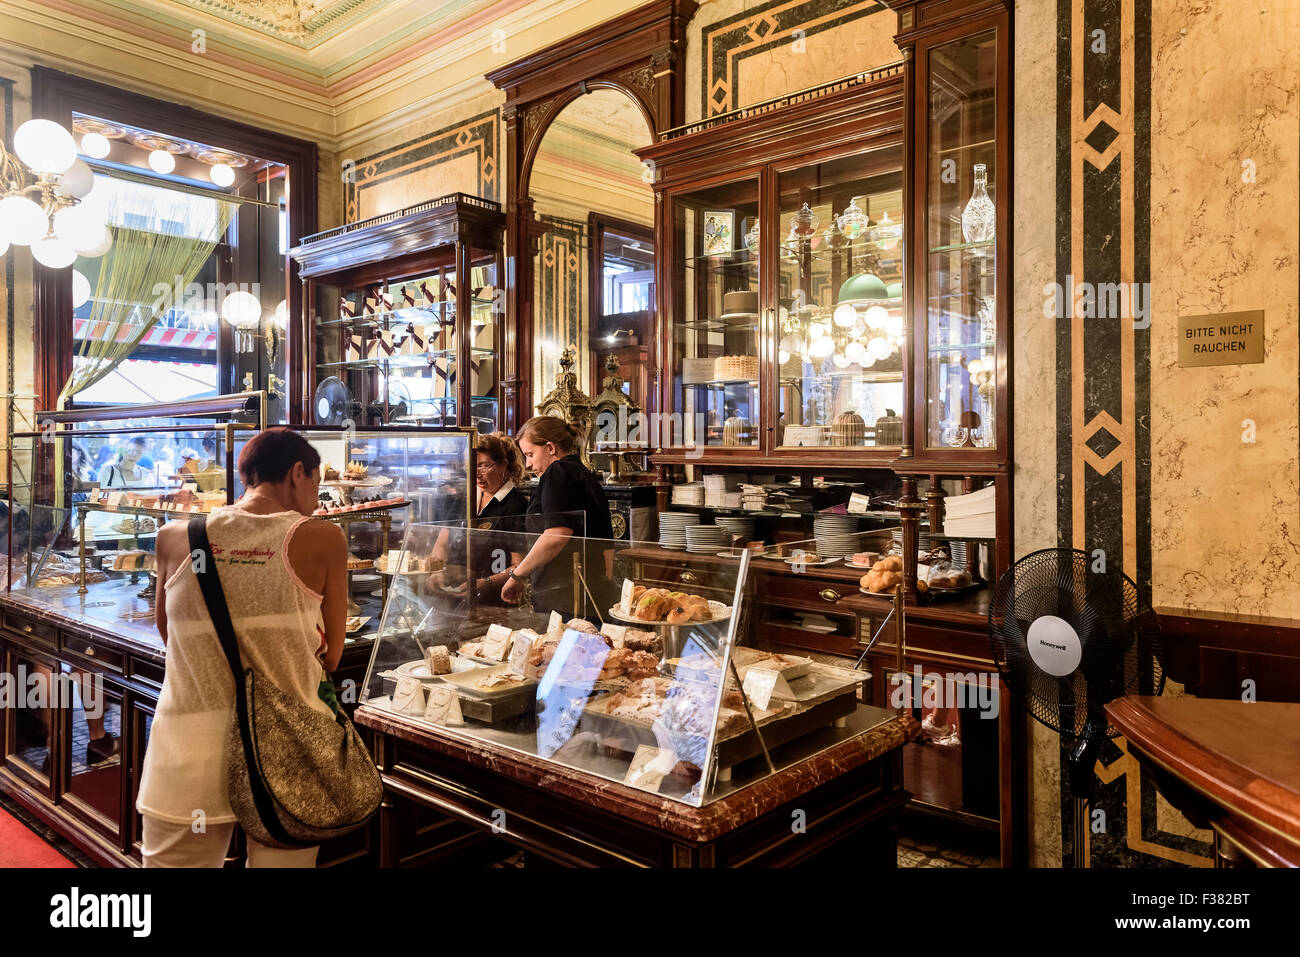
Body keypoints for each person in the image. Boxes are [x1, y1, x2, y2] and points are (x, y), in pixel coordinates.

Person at [137, 427, 347, 868]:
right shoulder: (324, 538)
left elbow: (168, 633)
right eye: (317, 482)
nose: (317, 496)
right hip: (289, 748)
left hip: (187, 747)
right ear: (296, 473)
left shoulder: (175, 537)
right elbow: (331, 656)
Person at [500, 416, 614, 619]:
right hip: (584, 591)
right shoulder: (581, 473)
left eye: (530, 454)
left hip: (565, 596)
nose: (527, 464)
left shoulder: (558, 472)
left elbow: (556, 535)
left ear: (550, 448)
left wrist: (517, 575)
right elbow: (607, 548)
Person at [429, 433, 528, 604]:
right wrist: (436, 572)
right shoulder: (465, 498)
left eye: (483, 466)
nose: (477, 475)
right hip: (454, 596)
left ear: (503, 465)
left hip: (496, 602)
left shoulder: (516, 504)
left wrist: (484, 583)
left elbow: (520, 566)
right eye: (471, 467)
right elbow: (442, 542)